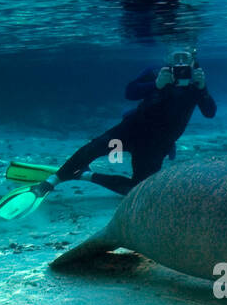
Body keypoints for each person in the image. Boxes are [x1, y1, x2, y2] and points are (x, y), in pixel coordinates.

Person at [45, 49, 216, 197]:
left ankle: (85, 175)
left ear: (193, 59)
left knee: (139, 190)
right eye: (175, 58)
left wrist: (202, 89)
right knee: (94, 148)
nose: (180, 64)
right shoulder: (156, 73)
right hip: (130, 131)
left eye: (185, 58)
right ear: (167, 58)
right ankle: (52, 181)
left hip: (157, 144)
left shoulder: (196, 82)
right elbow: (130, 92)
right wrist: (156, 84)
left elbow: (210, 112)